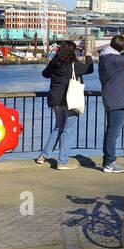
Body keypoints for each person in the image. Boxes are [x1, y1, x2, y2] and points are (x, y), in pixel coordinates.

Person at [37, 41, 93, 170]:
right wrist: (88, 56)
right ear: (73, 52)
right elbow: (90, 69)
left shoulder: (55, 63)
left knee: (58, 128)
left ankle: (43, 156)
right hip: (70, 101)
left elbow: (45, 74)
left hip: (55, 100)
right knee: (68, 131)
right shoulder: (75, 65)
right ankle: (62, 161)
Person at [97, 34, 124, 173]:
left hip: (111, 97)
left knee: (110, 130)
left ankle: (108, 161)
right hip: (117, 99)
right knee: (113, 131)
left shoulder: (106, 57)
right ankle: (109, 163)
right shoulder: (115, 60)